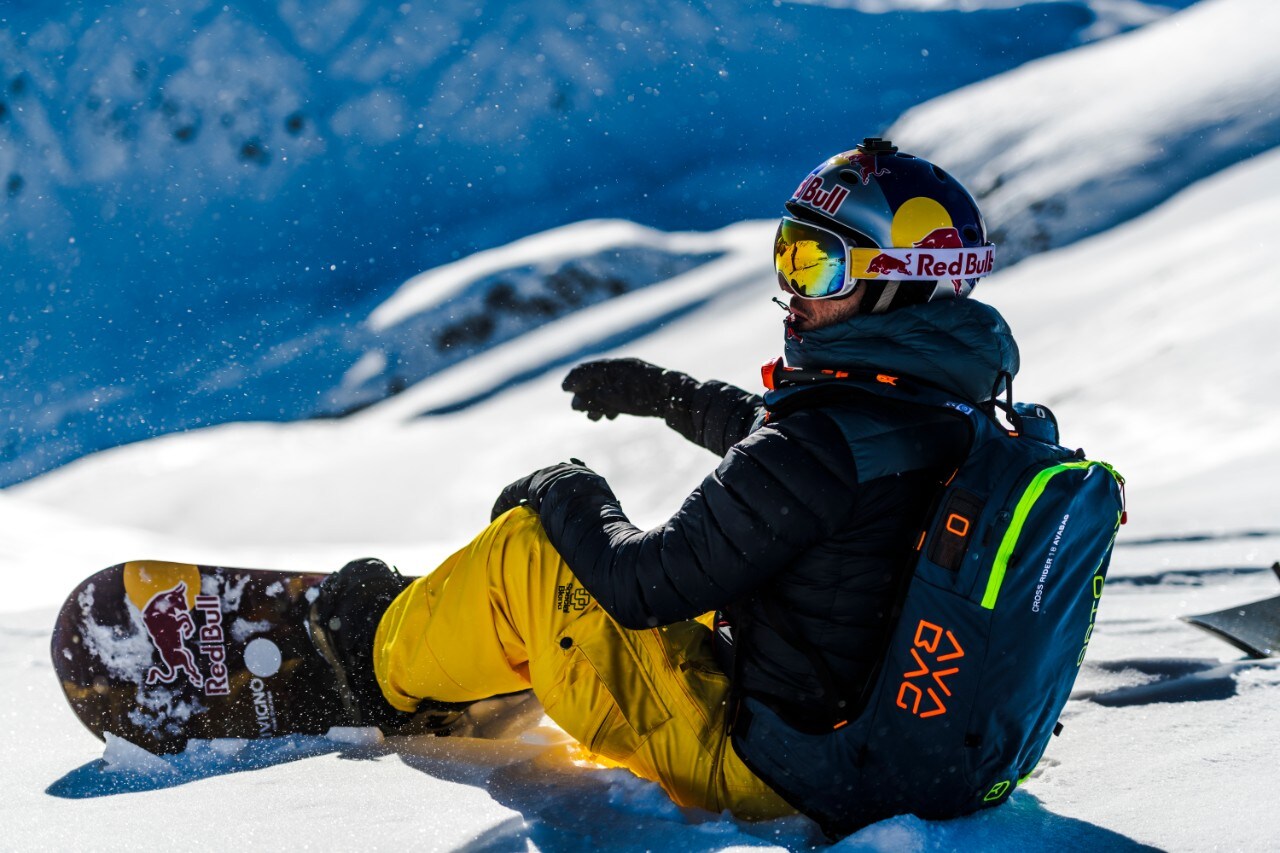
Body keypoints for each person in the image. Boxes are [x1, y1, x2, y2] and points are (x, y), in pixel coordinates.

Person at [307, 137, 1018, 829]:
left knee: (531, 552)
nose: (790, 291)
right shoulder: (950, 411)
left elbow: (641, 585)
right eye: (788, 253)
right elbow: (791, 457)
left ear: (900, 285)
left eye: (819, 267)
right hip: (873, 754)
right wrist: (664, 392)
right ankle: (477, 649)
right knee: (704, 570)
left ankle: (376, 666)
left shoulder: (822, 444)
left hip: (770, 774)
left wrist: (561, 487)